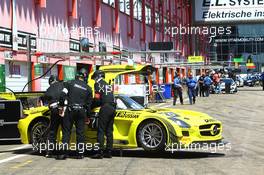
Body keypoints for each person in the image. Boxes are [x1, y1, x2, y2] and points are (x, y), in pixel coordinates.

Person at [58, 71, 93, 160]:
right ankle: (80, 154)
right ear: (84, 77)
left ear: (76, 76)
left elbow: (62, 95)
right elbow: (89, 105)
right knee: (80, 133)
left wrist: (62, 106)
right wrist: (88, 116)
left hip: (70, 110)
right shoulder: (88, 88)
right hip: (81, 111)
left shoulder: (70, 83)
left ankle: (63, 153)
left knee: (66, 132)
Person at [91, 70, 116, 159]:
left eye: (94, 78)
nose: (94, 80)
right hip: (113, 108)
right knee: (109, 131)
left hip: (105, 108)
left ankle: (99, 152)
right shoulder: (107, 84)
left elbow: (97, 99)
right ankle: (109, 152)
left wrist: (90, 106)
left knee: (101, 130)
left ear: (97, 77)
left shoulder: (98, 84)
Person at [43, 75, 66, 158]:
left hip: (54, 110)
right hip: (63, 109)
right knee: (65, 131)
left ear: (51, 81)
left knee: (52, 131)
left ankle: (49, 152)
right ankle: (64, 151)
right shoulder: (63, 85)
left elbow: (45, 98)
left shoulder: (49, 88)